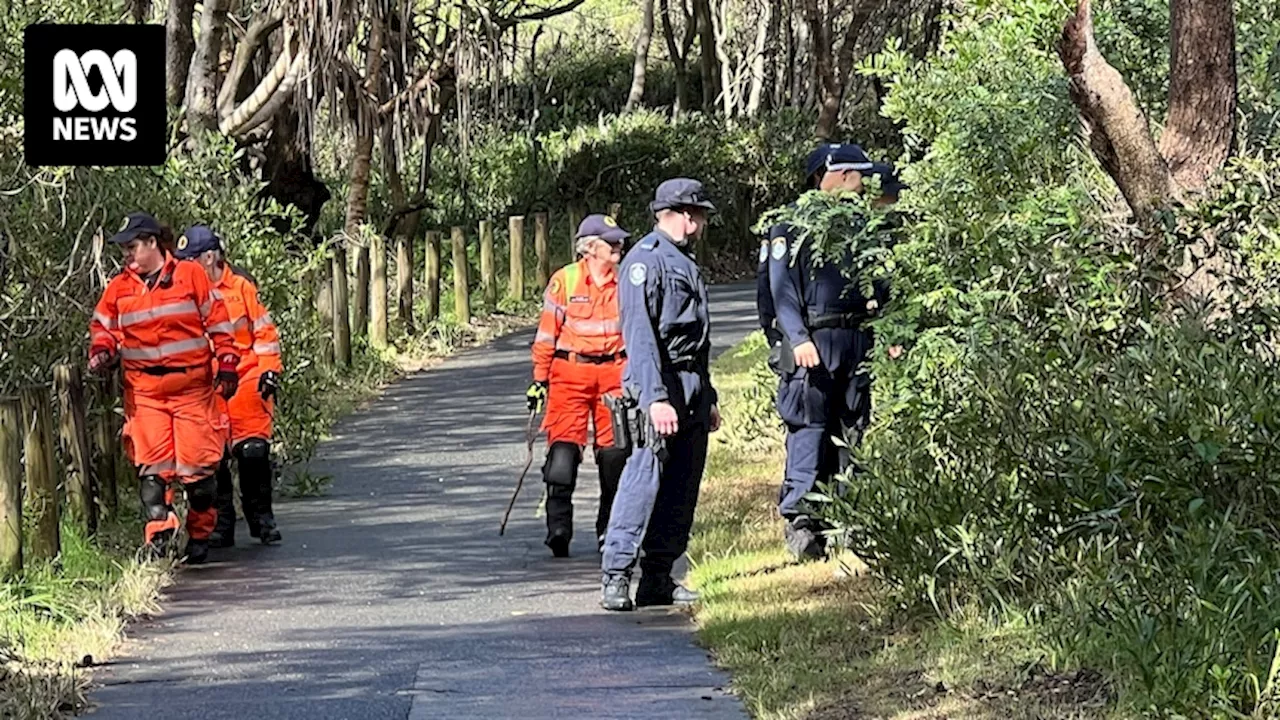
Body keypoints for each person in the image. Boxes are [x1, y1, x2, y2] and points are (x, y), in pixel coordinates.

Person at [767, 143, 903, 561]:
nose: (866, 184)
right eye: (860, 176)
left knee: (854, 428)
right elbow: (780, 291)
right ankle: (803, 522)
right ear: (841, 175)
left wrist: (893, 330)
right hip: (814, 340)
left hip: (856, 339)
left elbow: (880, 281)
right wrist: (797, 337)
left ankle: (850, 516)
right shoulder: (792, 225)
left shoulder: (861, 224)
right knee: (809, 427)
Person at [88, 212, 240, 564]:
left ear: (153, 243)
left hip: (192, 389)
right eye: (124, 248)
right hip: (145, 393)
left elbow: (217, 320)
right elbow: (103, 326)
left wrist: (228, 362)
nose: (127, 254)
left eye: (132, 247)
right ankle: (159, 538)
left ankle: (200, 534)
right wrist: (102, 350)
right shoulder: (119, 288)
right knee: (153, 470)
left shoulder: (190, 277)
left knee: (198, 470)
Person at [599, 179, 722, 612]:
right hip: (659, 387)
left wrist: (708, 399)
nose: (703, 222)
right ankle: (616, 575)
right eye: (700, 214)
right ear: (684, 215)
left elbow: (698, 340)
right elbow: (642, 337)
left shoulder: (684, 262)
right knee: (642, 481)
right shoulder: (645, 263)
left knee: (681, 488)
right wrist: (654, 399)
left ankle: (657, 577)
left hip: (689, 389)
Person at [527, 214, 632, 558]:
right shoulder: (565, 281)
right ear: (590, 248)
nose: (618, 246)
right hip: (570, 373)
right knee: (562, 455)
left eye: (618, 240)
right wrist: (539, 380)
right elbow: (546, 334)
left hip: (615, 373)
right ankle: (558, 528)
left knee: (616, 454)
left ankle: (609, 530)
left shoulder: (627, 281)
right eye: (610, 241)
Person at [174, 225, 285, 547]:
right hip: (204, 384)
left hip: (246, 377)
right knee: (212, 458)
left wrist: (268, 372)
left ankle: (261, 518)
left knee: (253, 452)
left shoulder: (241, 288)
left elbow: (264, 335)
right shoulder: (182, 292)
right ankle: (220, 525)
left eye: (191, 259)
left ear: (210, 258)